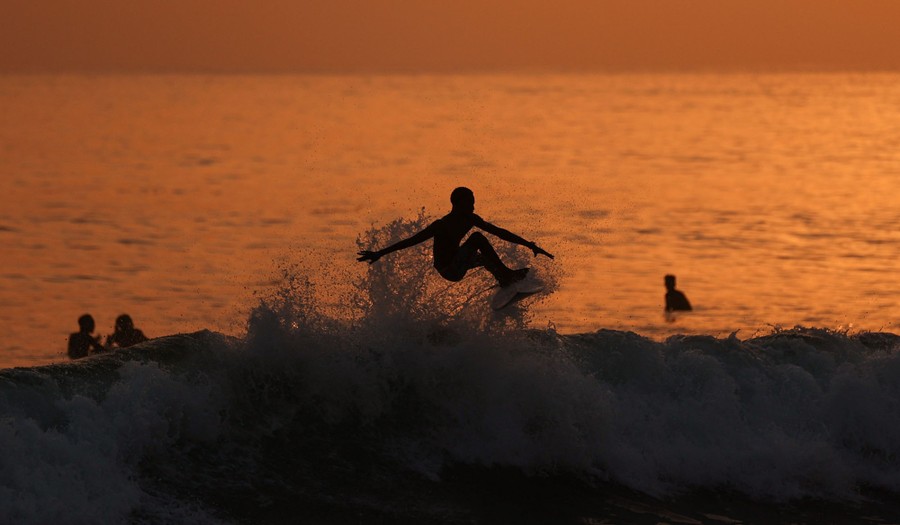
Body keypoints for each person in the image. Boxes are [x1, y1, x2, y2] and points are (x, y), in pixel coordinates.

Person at [357, 187, 554, 287]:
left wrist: (529, 244)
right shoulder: (441, 225)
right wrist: (380, 253)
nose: (473, 207)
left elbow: (499, 232)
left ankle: (502, 278)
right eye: (470, 204)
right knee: (477, 238)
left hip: (459, 262)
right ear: (457, 204)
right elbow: (411, 240)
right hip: (448, 269)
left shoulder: (470, 218)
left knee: (484, 256)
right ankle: (506, 275)